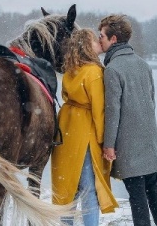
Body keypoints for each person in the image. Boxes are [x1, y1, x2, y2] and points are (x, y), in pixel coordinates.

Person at [98, 15, 157, 226]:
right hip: (148, 138)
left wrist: (109, 145)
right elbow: (151, 102)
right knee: (152, 188)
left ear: (113, 39)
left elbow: (113, 111)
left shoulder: (112, 70)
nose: (99, 39)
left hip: (128, 141)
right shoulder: (143, 64)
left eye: (102, 35)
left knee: (137, 194)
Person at [51, 28, 118, 226]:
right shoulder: (95, 72)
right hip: (84, 132)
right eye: (95, 41)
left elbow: (65, 97)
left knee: (67, 187)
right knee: (90, 188)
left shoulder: (71, 70)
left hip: (66, 127)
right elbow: (99, 111)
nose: (99, 42)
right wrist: (105, 142)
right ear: (87, 46)